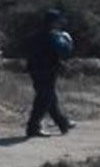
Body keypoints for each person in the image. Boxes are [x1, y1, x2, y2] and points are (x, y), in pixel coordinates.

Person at [23, 8, 77, 138]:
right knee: (44, 99)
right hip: (47, 70)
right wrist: (67, 40)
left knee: (48, 97)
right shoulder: (53, 36)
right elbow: (65, 51)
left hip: (34, 69)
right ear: (53, 22)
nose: (60, 23)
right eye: (58, 21)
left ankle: (63, 123)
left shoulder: (35, 35)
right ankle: (33, 128)